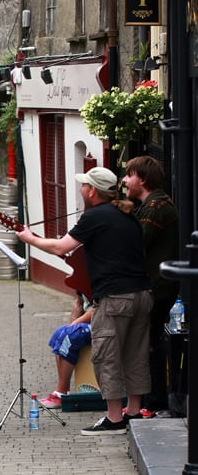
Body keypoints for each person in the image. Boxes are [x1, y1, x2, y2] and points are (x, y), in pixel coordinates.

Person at [16, 166, 153, 435]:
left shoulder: (94, 217)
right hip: (142, 294)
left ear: (92, 191)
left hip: (114, 298)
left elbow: (60, 247)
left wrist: (29, 238)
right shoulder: (127, 215)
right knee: (136, 355)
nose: (81, 189)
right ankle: (134, 412)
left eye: (83, 186)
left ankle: (114, 419)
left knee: (107, 356)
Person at [123, 155, 180, 415]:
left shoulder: (156, 206)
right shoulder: (152, 204)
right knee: (148, 342)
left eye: (129, 174)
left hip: (158, 286)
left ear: (142, 179)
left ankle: (154, 401)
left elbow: (137, 244)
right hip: (155, 284)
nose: (124, 180)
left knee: (149, 343)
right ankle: (150, 400)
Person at [40, 295, 92, 408]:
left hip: (103, 323)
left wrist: (74, 324)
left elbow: (97, 309)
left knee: (69, 337)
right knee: (59, 333)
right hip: (89, 320)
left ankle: (61, 393)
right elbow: (80, 303)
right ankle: (63, 391)